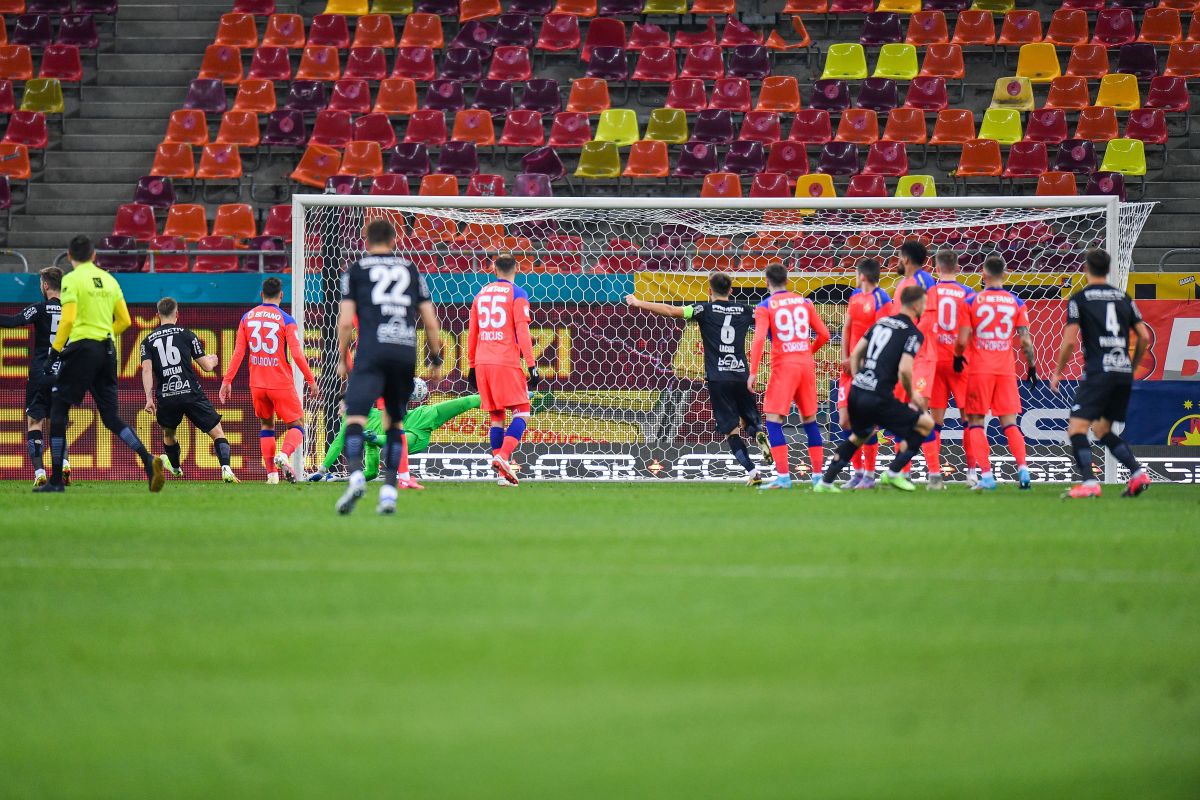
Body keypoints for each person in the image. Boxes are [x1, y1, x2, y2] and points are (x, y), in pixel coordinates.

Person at [36, 235, 163, 493]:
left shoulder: (71, 279)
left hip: (82, 348)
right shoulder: (109, 280)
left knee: (59, 410)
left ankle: (57, 481)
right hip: (107, 350)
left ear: (70, 256)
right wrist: (103, 333)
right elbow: (125, 321)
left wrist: (54, 354)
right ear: (94, 255)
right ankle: (148, 460)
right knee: (111, 417)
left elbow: (68, 320)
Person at [335, 218, 444, 514]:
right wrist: (435, 358)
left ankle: (356, 475)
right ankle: (389, 493)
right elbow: (431, 321)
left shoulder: (355, 271)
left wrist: (342, 357)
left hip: (370, 351)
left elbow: (345, 322)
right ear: (395, 240)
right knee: (395, 424)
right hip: (403, 353)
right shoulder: (410, 269)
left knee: (355, 418)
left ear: (365, 240)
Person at [626, 272, 766, 486]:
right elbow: (768, 318)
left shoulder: (703, 309)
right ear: (731, 291)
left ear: (710, 291)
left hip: (718, 378)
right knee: (750, 421)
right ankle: (758, 436)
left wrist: (638, 302)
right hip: (740, 374)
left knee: (731, 430)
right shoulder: (746, 310)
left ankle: (753, 472)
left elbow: (671, 311)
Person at [1050, 248, 1152, 499]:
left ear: (1086, 269)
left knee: (1076, 429)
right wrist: (1132, 363)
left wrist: (1057, 372)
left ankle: (1089, 482)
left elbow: (1069, 341)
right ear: (1107, 270)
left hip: (1099, 371)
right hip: (1122, 372)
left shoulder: (1080, 299)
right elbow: (1144, 336)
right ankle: (1137, 472)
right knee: (1102, 429)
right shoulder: (1123, 297)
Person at [815, 285, 936, 493]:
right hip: (879, 396)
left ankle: (825, 483)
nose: (925, 307)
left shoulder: (881, 323)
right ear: (916, 304)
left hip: (858, 390)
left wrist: (858, 378)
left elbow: (856, 355)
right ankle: (894, 472)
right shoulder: (913, 333)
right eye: (924, 303)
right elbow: (906, 370)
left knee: (858, 436)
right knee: (925, 424)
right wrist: (912, 394)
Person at [219, 276, 318, 484]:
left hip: (257, 384)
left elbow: (238, 353)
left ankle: (272, 476)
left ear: (262, 294)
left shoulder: (247, 318)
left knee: (266, 425)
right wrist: (310, 379)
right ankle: (283, 455)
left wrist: (227, 380)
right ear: (281, 295)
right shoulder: (286, 320)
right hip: (280, 382)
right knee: (298, 424)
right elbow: (297, 355)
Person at [956, 256, 1037, 492]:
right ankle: (1023, 470)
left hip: (979, 369)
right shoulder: (1016, 302)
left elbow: (962, 339)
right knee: (1010, 423)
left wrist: (957, 356)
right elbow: (1025, 340)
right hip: (1005, 370)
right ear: (1005, 274)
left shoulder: (973, 300)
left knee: (976, 423)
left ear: (983, 274)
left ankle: (987, 476)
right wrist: (1031, 366)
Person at [748, 262, 831, 490]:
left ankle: (784, 477)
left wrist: (753, 372)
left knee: (774, 419)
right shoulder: (805, 303)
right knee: (810, 420)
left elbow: (758, 340)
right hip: (805, 366)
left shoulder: (765, 306)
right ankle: (817, 478)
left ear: (767, 282)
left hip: (784, 367)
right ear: (787, 280)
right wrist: (805, 353)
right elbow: (824, 334)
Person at [140, 297, 238, 484]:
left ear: (157, 315)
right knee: (217, 432)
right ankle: (226, 469)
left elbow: (146, 370)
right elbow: (207, 367)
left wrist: (148, 398)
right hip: (191, 392)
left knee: (168, 434)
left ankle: (176, 468)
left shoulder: (147, 341)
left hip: (166, 396)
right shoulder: (187, 334)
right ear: (177, 314)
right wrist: (214, 359)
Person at [467, 254, 539, 486]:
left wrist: (471, 365)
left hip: (482, 362)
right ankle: (503, 456)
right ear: (516, 269)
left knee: (497, 417)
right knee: (522, 412)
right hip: (505, 361)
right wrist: (531, 364)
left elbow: (472, 333)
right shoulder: (518, 293)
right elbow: (522, 331)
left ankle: (502, 475)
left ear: (493, 269)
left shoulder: (480, 294)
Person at [0, 266, 66, 486]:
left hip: (41, 372)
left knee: (34, 421)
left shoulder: (39, 308)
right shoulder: (71, 311)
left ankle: (39, 472)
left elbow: (12, 321)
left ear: (45, 285)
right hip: (64, 374)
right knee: (58, 422)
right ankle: (64, 462)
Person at [921, 249, 976, 490]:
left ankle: (934, 474)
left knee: (935, 421)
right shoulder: (969, 294)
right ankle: (973, 473)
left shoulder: (928, 293)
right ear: (958, 267)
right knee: (969, 420)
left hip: (934, 363)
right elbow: (973, 329)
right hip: (961, 361)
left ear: (936, 267)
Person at [836, 258, 890, 490]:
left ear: (863, 276)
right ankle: (856, 472)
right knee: (845, 420)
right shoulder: (855, 297)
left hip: (869, 368)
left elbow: (880, 336)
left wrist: (864, 363)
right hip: (849, 368)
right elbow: (847, 327)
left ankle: (868, 474)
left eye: (857, 274)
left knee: (867, 423)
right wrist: (845, 358)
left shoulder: (882, 299)